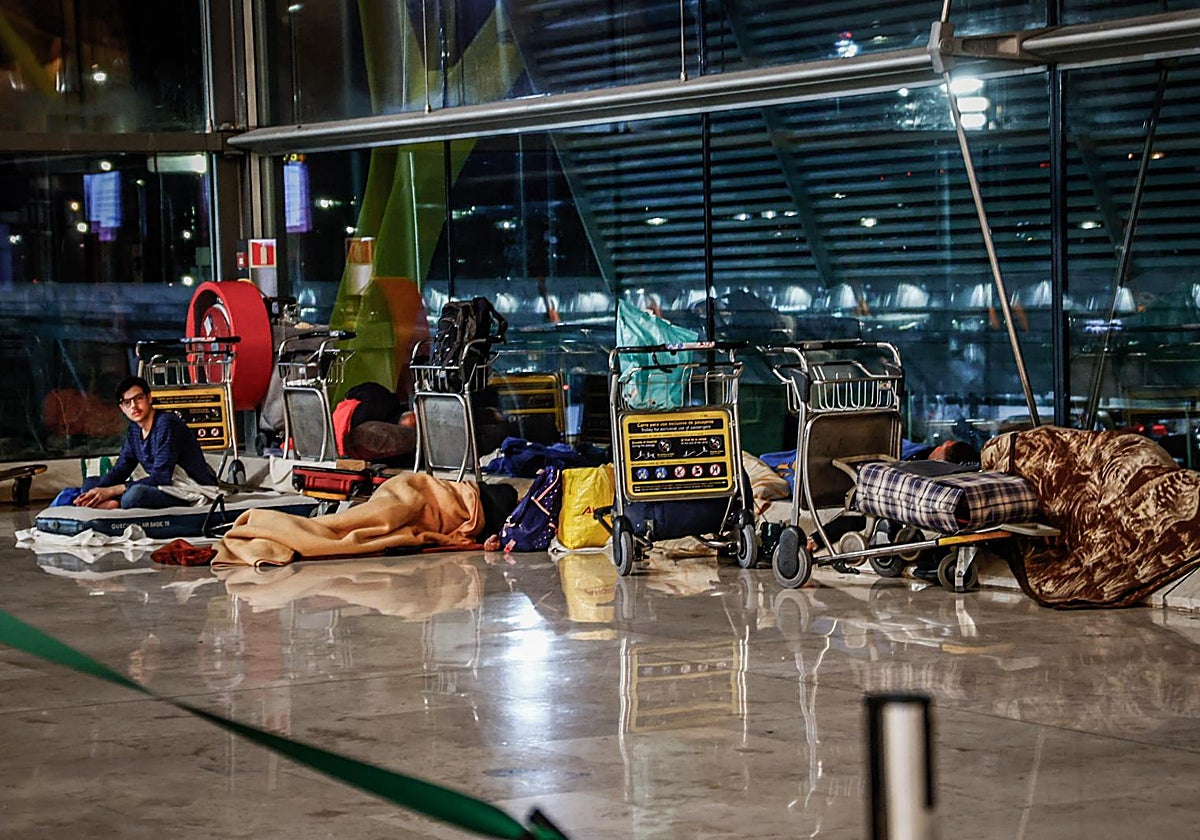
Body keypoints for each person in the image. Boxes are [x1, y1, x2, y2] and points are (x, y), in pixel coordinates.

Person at [74, 376, 219, 510]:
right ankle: (108, 502)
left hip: (186, 487)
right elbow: (122, 468)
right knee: (91, 484)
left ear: (149, 398)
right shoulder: (134, 430)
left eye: (138, 398)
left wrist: (111, 491)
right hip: (161, 486)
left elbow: (162, 477)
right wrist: (97, 491)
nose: (134, 406)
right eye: (127, 402)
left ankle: (116, 503)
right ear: (122, 408)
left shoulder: (167, 423)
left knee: (134, 496)